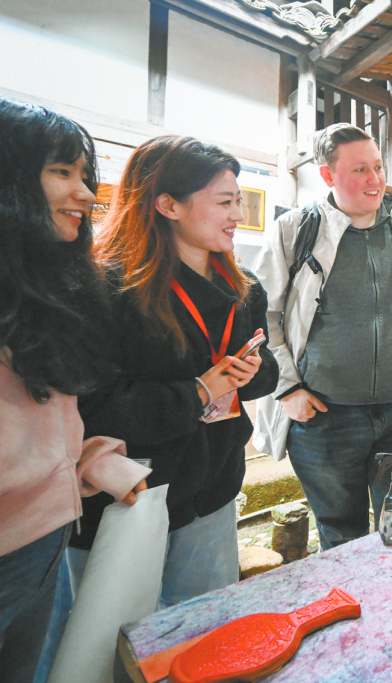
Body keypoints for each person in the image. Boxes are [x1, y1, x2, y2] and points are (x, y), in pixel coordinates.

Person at [69, 136, 279, 609]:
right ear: (168, 205)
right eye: (224, 202)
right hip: (129, 495)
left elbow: (268, 371)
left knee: (203, 623)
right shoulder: (107, 286)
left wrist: (253, 371)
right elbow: (91, 406)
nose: (238, 214)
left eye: (239, 201)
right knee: (116, 635)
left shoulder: (243, 287)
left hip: (213, 490)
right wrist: (198, 392)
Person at [0, 98, 149, 682]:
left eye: (85, 176)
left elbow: (38, 420)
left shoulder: (43, 289)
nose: (86, 195)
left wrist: (89, 462)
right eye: (61, 172)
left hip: (42, 541)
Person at [254, 123, 392, 550]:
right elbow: (263, 318)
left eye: (378, 167)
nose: (375, 179)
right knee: (341, 538)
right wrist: (288, 389)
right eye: (360, 170)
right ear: (327, 175)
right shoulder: (294, 231)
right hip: (326, 418)